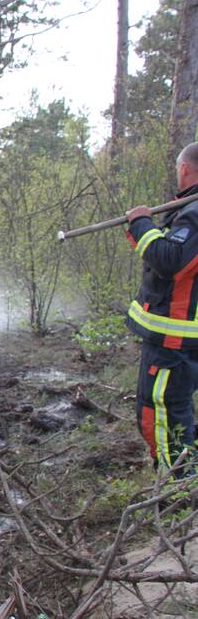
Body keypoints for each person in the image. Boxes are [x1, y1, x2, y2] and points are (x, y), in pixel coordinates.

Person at [125, 141, 198, 478]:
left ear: (184, 168)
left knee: (162, 414)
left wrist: (141, 223)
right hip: (182, 343)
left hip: (175, 344)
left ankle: (178, 494)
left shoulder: (195, 213)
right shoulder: (188, 210)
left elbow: (170, 260)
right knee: (178, 410)